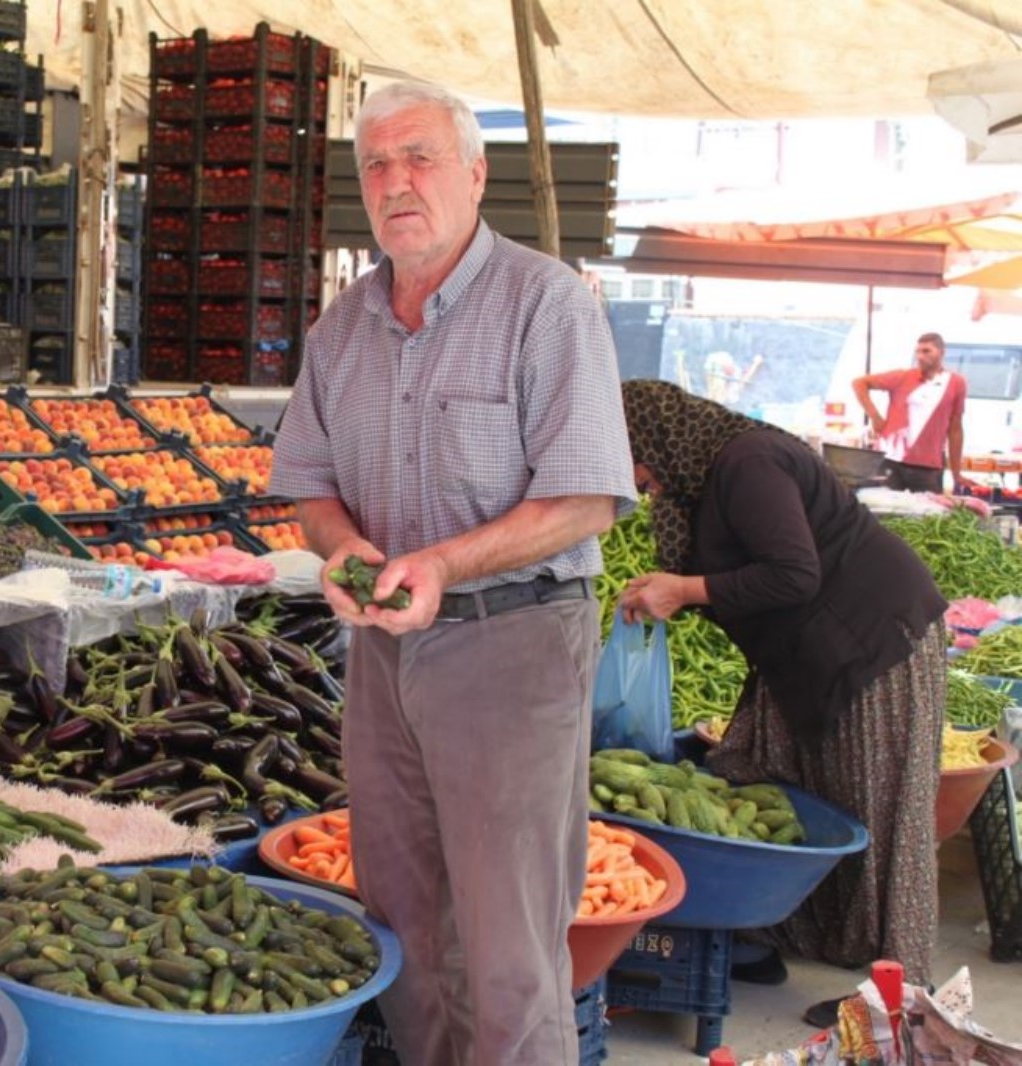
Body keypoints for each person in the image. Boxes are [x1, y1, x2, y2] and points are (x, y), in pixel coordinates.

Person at [269, 81, 636, 1066]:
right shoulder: (339, 331)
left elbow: (583, 500)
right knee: (406, 919)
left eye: (419, 157)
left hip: (512, 643)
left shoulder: (544, 304)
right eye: (376, 165)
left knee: (508, 940)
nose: (396, 181)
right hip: (385, 655)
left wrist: (438, 561)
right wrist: (343, 546)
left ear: (475, 174)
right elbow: (307, 487)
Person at [618, 379, 945, 1026]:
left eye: (628, 457)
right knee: (751, 764)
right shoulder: (701, 480)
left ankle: (901, 999)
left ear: (653, 436)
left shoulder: (747, 463)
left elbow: (794, 572)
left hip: (872, 642)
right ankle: (763, 934)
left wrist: (685, 589)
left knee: (885, 814)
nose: (633, 479)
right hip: (805, 647)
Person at [851, 332, 971, 493]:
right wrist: (875, 416)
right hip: (890, 460)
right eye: (918, 351)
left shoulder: (956, 383)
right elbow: (859, 383)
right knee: (886, 511)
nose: (920, 356)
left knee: (927, 514)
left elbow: (955, 429)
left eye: (926, 351)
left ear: (942, 353)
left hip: (928, 467)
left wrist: (956, 473)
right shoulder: (903, 376)